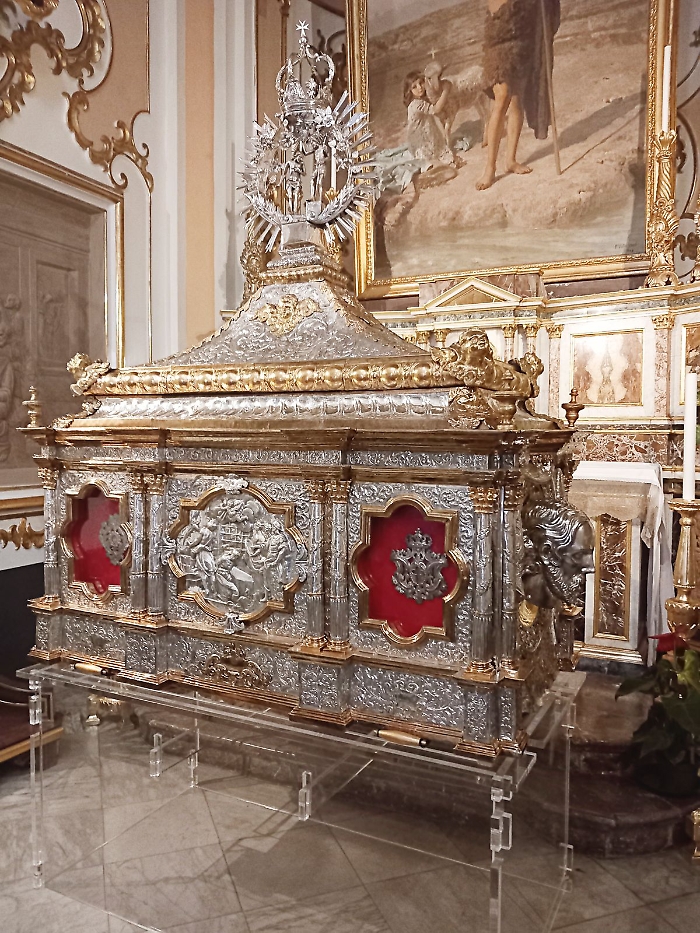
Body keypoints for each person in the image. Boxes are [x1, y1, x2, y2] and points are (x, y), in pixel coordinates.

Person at [477, 0, 560, 190]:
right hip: (499, 45)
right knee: (502, 99)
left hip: (520, 45)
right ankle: (490, 168)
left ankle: (510, 160)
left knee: (516, 101)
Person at [403, 72, 453, 168]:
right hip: (420, 140)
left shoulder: (422, 99)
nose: (420, 88)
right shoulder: (416, 104)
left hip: (426, 132)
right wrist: (445, 91)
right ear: (409, 91)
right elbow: (436, 109)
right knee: (435, 156)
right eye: (414, 87)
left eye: (421, 83)